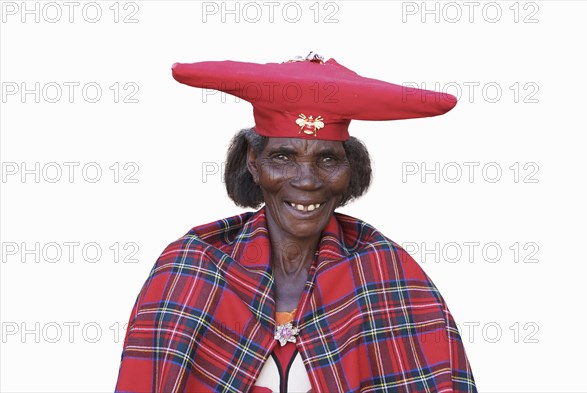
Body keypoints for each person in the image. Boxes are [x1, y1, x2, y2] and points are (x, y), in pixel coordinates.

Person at [115, 52, 477, 392]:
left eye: (327, 160)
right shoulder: (192, 265)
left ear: (351, 170)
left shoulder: (388, 271)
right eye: (283, 156)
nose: (306, 180)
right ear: (254, 162)